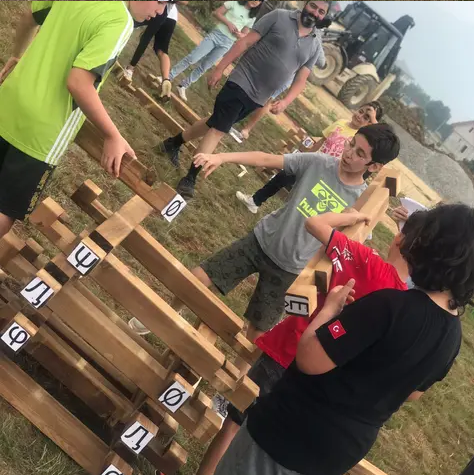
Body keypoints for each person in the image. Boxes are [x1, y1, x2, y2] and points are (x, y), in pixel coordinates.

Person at [215, 202, 472, 475]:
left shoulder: (389, 306)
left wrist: (330, 310)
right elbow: (413, 393)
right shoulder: (452, 337)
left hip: (290, 431)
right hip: (340, 451)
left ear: (434, 249)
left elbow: (310, 359)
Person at [130, 124, 400, 347]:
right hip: (260, 242)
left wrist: (353, 221)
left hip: (290, 271)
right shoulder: (319, 163)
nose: (349, 152)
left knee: (258, 335)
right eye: (351, 144)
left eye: (359, 153)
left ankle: (240, 382)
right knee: (199, 278)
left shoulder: (359, 202)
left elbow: (343, 249)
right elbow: (266, 159)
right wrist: (222, 157)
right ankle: (156, 315)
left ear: (374, 166)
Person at [196, 207, 409, 475]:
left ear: (398, 239)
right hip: (320, 379)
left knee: (235, 423)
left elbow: (314, 223)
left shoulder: (366, 259)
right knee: (270, 447)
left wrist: (350, 217)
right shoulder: (403, 305)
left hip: (288, 350)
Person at [0, 1, 167, 240]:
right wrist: (112, 135)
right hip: (41, 132)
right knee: (5, 210)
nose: (161, 11)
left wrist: (17, 55)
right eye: (161, 1)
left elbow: (29, 16)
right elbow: (79, 83)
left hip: (8, 103)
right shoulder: (120, 21)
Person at [159, 1, 330, 199]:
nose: (315, 13)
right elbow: (245, 42)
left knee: (214, 122)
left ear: (324, 16)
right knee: (219, 129)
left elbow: (301, 80)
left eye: (321, 11)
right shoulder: (279, 16)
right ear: (306, 4)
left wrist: (285, 102)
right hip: (242, 80)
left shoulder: (315, 46)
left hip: (259, 97)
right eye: (313, 6)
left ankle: (172, 143)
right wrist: (220, 68)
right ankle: (190, 178)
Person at [237, 101, 383, 213]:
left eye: (366, 117)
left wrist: (374, 121)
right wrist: (305, 156)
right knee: (283, 176)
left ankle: (286, 217)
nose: (360, 116)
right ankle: (254, 201)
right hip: (314, 163)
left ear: (370, 124)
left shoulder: (361, 138)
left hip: (329, 176)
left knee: (303, 198)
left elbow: (379, 138)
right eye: (360, 111)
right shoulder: (340, 123)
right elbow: (321, 141)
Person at [169, 1, 263, 102]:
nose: (255, 1)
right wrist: (228, 23)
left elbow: (245, 35)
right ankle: (169, 77)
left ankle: (183, 85)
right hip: (216, 35)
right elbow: (217, 13)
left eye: (258, 0)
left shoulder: (252, 18)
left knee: (204, 66)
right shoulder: (234, 3)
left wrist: (240, 35)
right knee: (192, 58)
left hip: (227, 43)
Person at [123, 1, 188, 99]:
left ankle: (130, 69)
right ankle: (166, 79)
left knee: (142, 33)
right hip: (172, 17)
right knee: (162, 50)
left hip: (159, 11)